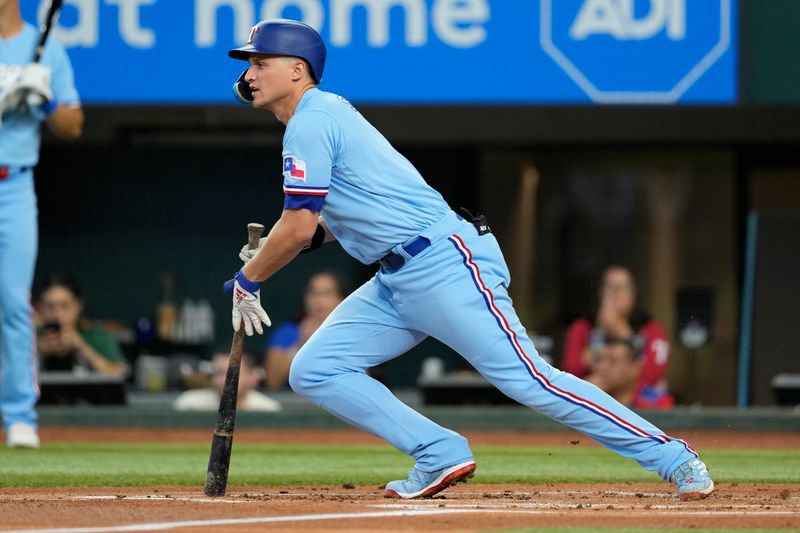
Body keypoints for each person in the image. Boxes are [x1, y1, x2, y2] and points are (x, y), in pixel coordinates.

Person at [224, 19, 713, 500]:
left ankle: (675, 458)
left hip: (444, 264)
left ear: (297, 69)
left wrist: (250, 277)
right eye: (249, 64)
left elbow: (299, 224)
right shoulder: (317, 119)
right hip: (396, 279)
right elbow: (335, 220)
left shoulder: (312, 119)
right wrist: (275, 247)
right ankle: (438, 452)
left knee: (532, 381)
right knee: (315, 369)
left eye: (261, 62)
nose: (250, 74)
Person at [0, 0, 83, 448]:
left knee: (14, 304)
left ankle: (18, 417)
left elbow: (73, 125)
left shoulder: (42, 44)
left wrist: (44, 101)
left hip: (13, 183)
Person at [562, 265, 670, 391]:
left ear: (634, 295)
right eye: (609, 286)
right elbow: (570, 370)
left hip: (638, 406)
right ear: (600, 293)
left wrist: (622, 332)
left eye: (622, 287)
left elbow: (652, 376)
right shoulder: (582, 327)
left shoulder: (652, 329)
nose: (615, 292)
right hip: (592, 401)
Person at [264, 271, 346, 390]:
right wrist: (301, 344)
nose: (318, 300)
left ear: (341, 299)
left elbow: (363, 379)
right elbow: (272, 381)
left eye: (326, 293)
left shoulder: (349, 331)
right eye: (313, 293)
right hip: (294, 403)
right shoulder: (288, 331)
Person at [36, 274, 126, 377]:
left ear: (78, 305)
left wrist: (81, 347)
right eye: (49, 307)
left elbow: (117, 376)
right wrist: (38, 353)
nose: (57, 314)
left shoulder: (96, 334)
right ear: (40, 307)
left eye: (64, 306)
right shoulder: (30, 337)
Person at [173, 351, 281, 412]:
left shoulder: (268, 409)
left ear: (252, 377)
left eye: (231, 374)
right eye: (218, 373)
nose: (224, 380)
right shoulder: (189, 405)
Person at [586, 336, 675, 409]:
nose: (601, 367)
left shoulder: (657, 403)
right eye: (599, 360)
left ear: (635, 369)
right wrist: (587, 395)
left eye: (612, 361)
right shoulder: (589, 395)